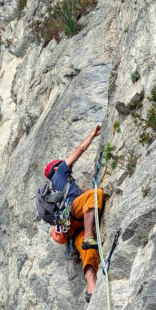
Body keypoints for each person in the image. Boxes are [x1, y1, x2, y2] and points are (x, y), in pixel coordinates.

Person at [45, 124, 104, 299]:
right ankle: (88, 236)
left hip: (69, 226)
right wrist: (92, 135)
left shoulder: (53, 189)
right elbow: (80, 149)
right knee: (94, 195)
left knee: (88, 252)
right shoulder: (60, 171)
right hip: (73, 210)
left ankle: (91, 289)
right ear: (56, 167)